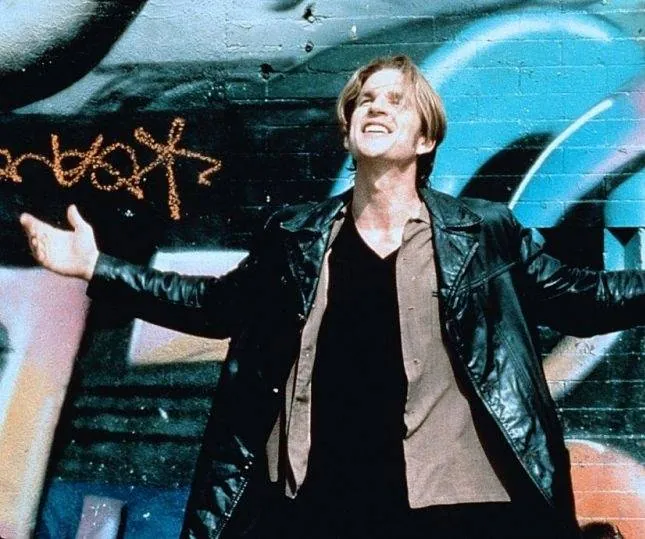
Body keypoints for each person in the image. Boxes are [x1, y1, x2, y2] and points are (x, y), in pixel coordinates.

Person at [20, 55, 645, 539]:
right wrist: (97, 267)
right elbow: (214, 306)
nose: (375, 108)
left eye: (396, 101)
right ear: (348, 133)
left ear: (425, 140)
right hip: (323, 500)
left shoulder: (481, 233)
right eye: (365, 101)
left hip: (455, 503)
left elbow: (580, 298)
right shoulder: (297, 236)